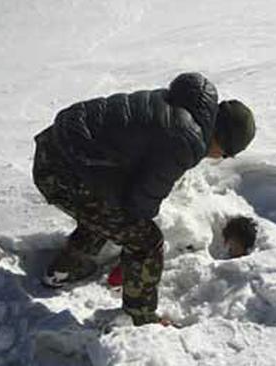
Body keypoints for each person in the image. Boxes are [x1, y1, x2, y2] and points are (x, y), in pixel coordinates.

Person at [32, 72, 255, 326]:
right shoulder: (186, 139)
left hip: (57, 149)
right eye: (225, 154)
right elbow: (140, 205)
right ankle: (139, 318)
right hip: (63, 172)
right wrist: (134, 253)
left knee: (112, 209)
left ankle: (66, 268)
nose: (218, 158)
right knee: (146, 241)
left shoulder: (184, 106)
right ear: (222, 140)